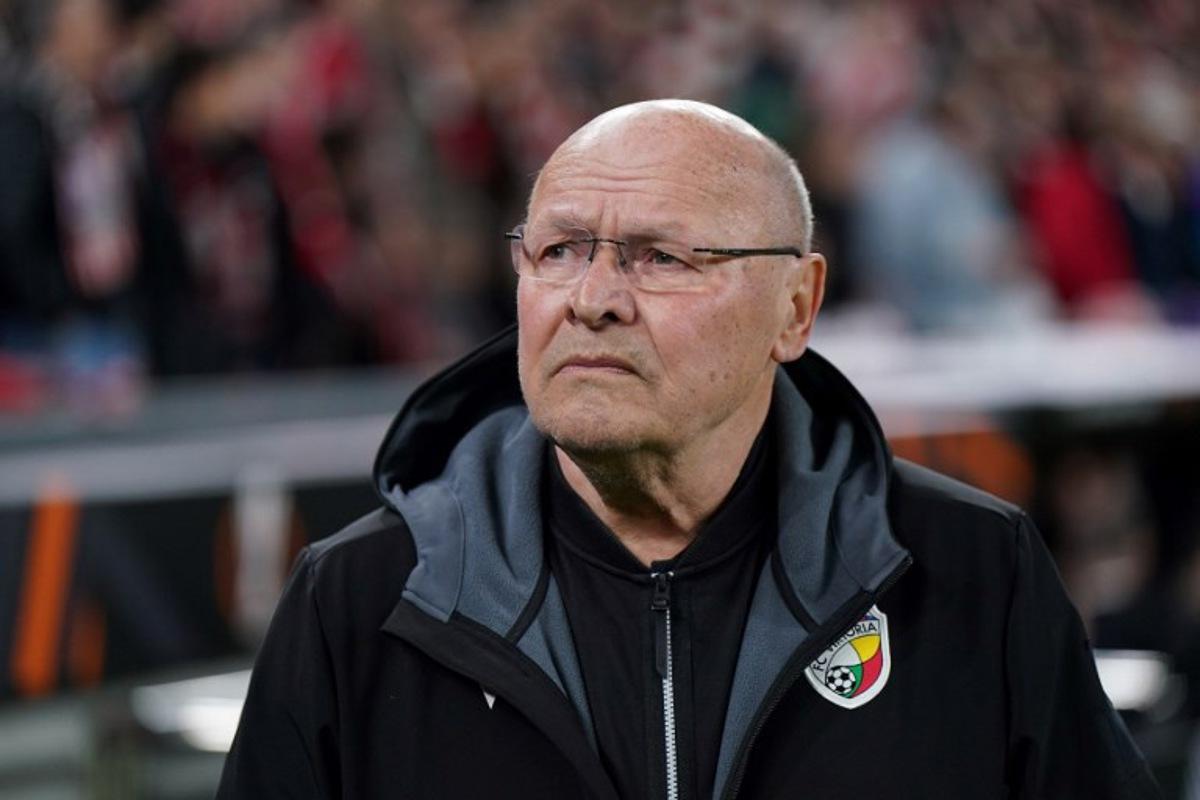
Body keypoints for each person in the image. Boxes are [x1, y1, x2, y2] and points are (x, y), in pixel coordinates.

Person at [218, 100, 1160, 799]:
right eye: (557, 251)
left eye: (660, 258)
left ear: (795, 307)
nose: (592, 297)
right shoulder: (360, 601)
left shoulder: (975, 573)